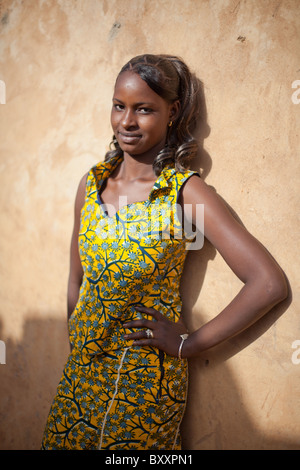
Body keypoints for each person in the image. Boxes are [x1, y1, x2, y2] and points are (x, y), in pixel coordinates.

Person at [41, 54, 287, 450]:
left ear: (172, 112)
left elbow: (268, 283)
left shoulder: (184, 191)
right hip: (81, 376)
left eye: (144, 110)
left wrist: (188, 344)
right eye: (119, 106)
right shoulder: (91, 184)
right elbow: (76, 278)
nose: (127, 122)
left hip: (141, 388)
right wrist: (79, 341)